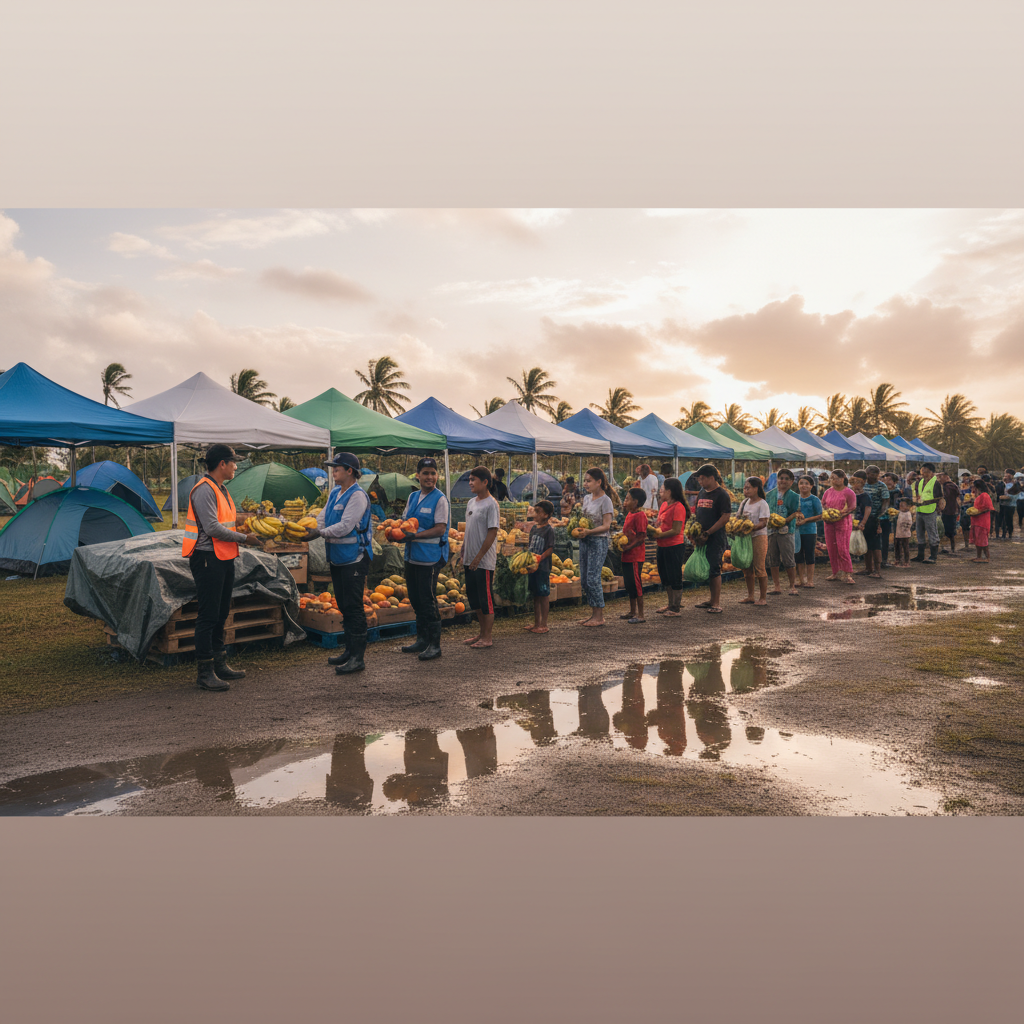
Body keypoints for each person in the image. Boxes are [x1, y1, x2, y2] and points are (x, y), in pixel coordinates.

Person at [181, 444, 263, 692]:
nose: (236, 466)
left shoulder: (221, 488)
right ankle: (204, 672)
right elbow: (212, 528)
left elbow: (228, 521)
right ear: (222, 464)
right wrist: (244, 539)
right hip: (207, 558)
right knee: (208, 615)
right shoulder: (204, 490)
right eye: (233, 462)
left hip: (224, 556)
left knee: (221, 612)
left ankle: (219, 662)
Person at [303, 452, 373, 675]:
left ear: (349, 471)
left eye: (336, 468)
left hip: (355, 558)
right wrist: (310, 528)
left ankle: (357, 657)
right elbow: (323, 518)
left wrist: (319, 533)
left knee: (353, 606)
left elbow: (345, 526)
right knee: (343, 604)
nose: (333, 472)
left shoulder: (358, 496)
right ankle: (348, 650)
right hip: (338, 557)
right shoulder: (335, 492)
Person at [400, 457, 450, 660]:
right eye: (426, 473)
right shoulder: (413, 497)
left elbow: (440, 528)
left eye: (433, 473)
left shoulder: (440, 499)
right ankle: (421, 639)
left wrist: (415, 535)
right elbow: (405, 522)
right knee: (415, 598)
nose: (430, 477)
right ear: (417, 475)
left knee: (428, 600)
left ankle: (434, 645)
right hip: (412, 557)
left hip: (430, 558)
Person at [459, 466, 500, 649]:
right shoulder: (471, 503)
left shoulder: (492, 504)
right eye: (469, 479)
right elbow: (469, 530)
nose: (470, 483)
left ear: (485, 482)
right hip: (469, 558)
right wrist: (464, 551)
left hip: (483, 561)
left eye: (473, 479)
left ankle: (487, 637)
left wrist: (478, 557)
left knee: (485, 599)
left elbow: (492, 533)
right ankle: (481, 633)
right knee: (474, 598)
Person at [690, 464, 732, 613]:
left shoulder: (722, 494)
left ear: (711, 478)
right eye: (699, 479)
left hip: (715, 537)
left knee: (715, 569)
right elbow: (697, 513)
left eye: (702, 478)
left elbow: (725, 516)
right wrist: (695, 533)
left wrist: (709, 532)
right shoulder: (702, 492)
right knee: (708, 569)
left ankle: (716, 603)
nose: (700, 481)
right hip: (702, 536)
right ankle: (711, 599)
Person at [576, 467, 615, 626]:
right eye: (584, 480)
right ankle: (593, 613)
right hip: (585, 540)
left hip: (598, 541)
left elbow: (607, 526)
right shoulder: (586, 499)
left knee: (593, 578)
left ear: (599, 482)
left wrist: (589, 531)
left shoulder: (606, 501)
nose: (585, 483)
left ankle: (599, 616)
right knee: (584, 579)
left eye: (589, 481)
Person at [649, 477, 687, 616]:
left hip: (674, 546)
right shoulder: (664, 505)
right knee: (665, 576)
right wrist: (654, 526)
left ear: (669, 491)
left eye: (662, 488)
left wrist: (659, 535)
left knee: (674, 576)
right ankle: (670, 604)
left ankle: (676, 607)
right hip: (662, 545)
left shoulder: (679, 507)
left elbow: (676, 530)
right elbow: (661, 523)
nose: (660, 491)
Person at [766, 468, 800, 596]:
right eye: (781, 478)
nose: (783, 481)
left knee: (788, 559)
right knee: (772, 559)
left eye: (786, 479)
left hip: (786, 530)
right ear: (777, 480)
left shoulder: (794, 496)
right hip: (771, 530)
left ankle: (792, 585)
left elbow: (795, 512)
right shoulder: (769, 494)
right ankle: (776, 586)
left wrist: (784, 521)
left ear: (791, 482)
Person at [737, 477, 770, 606]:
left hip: (759, 537)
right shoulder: (744, 502)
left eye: (748, 488)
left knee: (759, 567)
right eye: (744, 488)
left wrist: (749, 528)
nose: (746, 490)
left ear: (756, 488)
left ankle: (762, 598)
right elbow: (737, 517)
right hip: (745, 538)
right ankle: (750, 596)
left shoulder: (762, 504)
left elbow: (763, 523)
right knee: (747, 568)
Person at [525, 499, 555, 634]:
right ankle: (536, 622)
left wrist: (540, 558)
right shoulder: (534, 528)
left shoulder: (549, 530)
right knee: (535, 595)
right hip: (532, 567)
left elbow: (550, 549)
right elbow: (530, 545)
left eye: (538, 512)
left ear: (546, 515)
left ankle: (544, 624)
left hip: (542, 568)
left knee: (543, 595)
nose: (535, 514)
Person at [619, 487, 648, 623]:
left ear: (635, 502)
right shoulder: (629, 514)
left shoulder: (640, 516)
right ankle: (632, 611)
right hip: (626, 555)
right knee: (629, 583)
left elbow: (641, 537)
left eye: (627, 499)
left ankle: (641, 614)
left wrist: (629, 547)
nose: (625, 501)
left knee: (636, 584)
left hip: (635, 556)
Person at [823, 469, 857, 585]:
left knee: (842, 548)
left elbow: (852, 507)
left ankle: (848, 573)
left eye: (836, 478)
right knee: (831, 548)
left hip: (843, 523)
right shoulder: (828, 491)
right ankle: (835, 572)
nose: (833, 480)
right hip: (829, 522)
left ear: (843, 479)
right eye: (831, 478)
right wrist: (829, 513)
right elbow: (824, 504)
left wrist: (839, 515)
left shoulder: (849, 492)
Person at [794, 474, 822, 587]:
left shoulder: (814, 499)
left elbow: (820, 515)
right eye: (801, 483)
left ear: (811, 486)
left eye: (806, 483)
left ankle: (810, 581)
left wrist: (806, 520)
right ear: (798, 485)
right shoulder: (795, 498)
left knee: (810, 555)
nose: (803, 486)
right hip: (796, 531)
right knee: (798, 556)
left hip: (810, 531)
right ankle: (801, 580)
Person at [860, 465, 890, 576]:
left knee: (876, 545)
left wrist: (880, 515)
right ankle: (868, 568)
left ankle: (877, 570)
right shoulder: (863, 485)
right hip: (863, 518)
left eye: (875, 474)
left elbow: (886, 501)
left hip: (876, 518)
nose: (872, 476)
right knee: (866, 544)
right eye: (869, 474)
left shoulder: (881, 486)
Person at [912, 462, 941, 564]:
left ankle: (933, 556)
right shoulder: (920, 482)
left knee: (932, 532)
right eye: (922, 471)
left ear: (931, 473)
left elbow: (939, 498)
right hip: (920, 510)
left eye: (926, 472)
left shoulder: (935, 483)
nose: (923, 474)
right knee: (919, 532)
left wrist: (927, 502)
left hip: (930, 510)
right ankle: (920, 555)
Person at [850, 471, 876, 577]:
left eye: (858, 482)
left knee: (868, 546)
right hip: (854, 521)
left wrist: (863, 522)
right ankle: (866, 567)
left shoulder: (865, 495)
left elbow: (868, 509)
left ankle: (870, 568)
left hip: (865, 522)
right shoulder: (851, 493)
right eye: (854, 482)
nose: (856, 484)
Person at [936, 471, 961, 556]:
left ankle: (952, 549)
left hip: (950, 511)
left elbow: (947, 495)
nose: (939, 479)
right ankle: (944, 548)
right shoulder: (946, 485)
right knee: (942, 529)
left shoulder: (950, 486)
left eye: (940, 477)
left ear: (946, 477)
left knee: (950, 531)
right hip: (946, 510)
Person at [969, 478, 994, 562]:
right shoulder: (979, 496)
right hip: (976, 521)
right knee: (977, 540)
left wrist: (977, 513)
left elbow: (988, 508)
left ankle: (987, 558)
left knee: (983, 540)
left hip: (982, 521)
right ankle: (978, 556)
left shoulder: (984, 495)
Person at [881, 472, 902, 566]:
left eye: (889, 479)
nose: (887, 481)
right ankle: (883, 559)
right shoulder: (881, 491)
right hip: (884, 517)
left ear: (894, 482)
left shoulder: (898, 492)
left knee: (897, 538)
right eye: (885, 479)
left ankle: (898, 558)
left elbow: (900, 505)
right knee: (884, 539)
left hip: (896, 517)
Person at [894, 498, 914, 567]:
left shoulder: (908, 514)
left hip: (905, 534)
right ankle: (898, 559)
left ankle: (906, 561)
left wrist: (904, 529)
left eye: (903, 505)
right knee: (897, 547)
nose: (901, 507)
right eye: (900, 506)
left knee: (905, 547)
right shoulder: (899, 512)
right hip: (898, 533)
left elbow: (909, 523)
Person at [996, 469, 1016, 540]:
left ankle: (1010, 533)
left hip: (1010, 505)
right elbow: (997, 493)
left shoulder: (1014, 484)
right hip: (1002, 504)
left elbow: (1011, 496)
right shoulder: (1001, 483)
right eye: (1005, 474)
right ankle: (1003, 534)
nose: (1006, 476)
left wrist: (1002, 497)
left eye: (1008, 474)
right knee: (1001, 519)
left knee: (1008, 519)